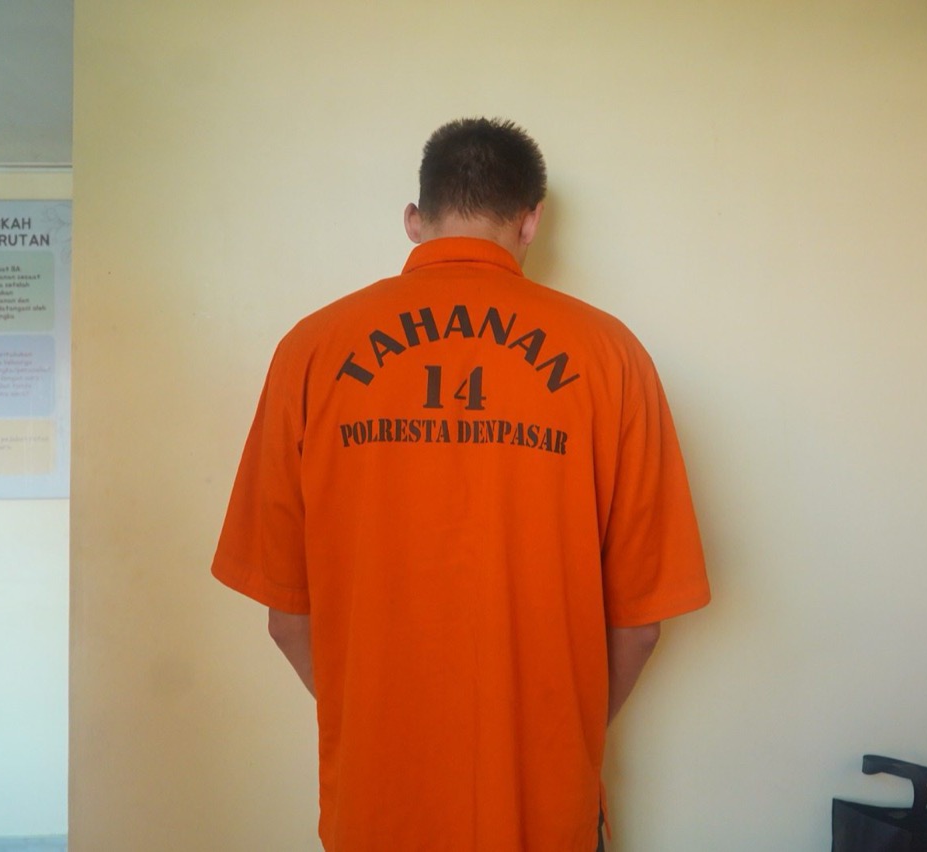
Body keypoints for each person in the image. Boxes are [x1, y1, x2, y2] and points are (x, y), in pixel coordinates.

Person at [212, 117, 710, 852]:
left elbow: (286, 618)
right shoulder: (611, 356)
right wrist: (554, 734)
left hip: (376, 811)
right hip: (545, 811)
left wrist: (380, 723)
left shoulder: (310, 350)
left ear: (415, 219)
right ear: (530, 222)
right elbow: (639, 626)